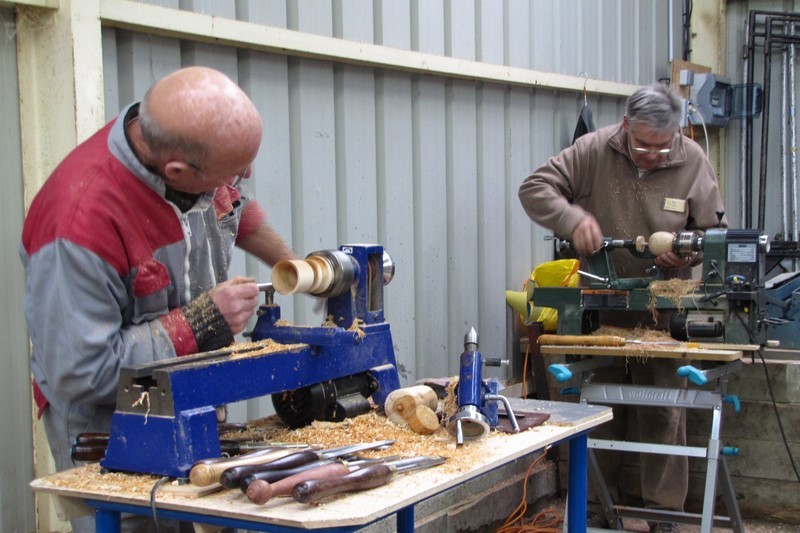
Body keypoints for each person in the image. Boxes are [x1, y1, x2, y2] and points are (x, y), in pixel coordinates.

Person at [20, 66, 296, 532]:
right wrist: (201, 322)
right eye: (234, 170)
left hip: (191, 402)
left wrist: (297, 267)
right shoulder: (76, 226)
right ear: (177, 172)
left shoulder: (191, 152)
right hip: (111, 430)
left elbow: (234, 206)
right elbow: (82, 372)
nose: (245, 176)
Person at [518, 82, 728, 533]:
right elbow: (534, 188)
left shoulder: (692, 160)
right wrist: (573, 218)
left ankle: (664, 513)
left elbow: (714, 232)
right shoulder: (593, 150)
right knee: (598, 408)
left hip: (664, 312)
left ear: (676, 133)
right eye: (642, 145)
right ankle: (595, 504)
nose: (652, 155)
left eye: (662, 147)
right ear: (626, 124)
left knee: (665, 411)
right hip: (601, 307)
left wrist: (687, 252)